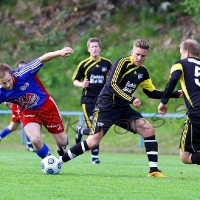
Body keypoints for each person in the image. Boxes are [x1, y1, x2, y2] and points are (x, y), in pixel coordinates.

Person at [59, 39, 181, 177]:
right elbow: (112, 85)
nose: (140, 58)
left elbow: (152, 92)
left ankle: (154, 171)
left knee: (148, 130)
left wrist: (175, 94)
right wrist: (131, 98)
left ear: (147, 55)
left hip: (123, 109)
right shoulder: (122, 63)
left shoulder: (143, 72)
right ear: (132, 52)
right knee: (92, 142)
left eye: (143, 56)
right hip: (107, 106)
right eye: (137, 54)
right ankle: (59, 161)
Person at [0, 47, 74, 159]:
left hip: (46, 106)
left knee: (62, 141)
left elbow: (42, 59)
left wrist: (59, 52)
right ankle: (49, 160)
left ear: (12, 74)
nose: (8, 85)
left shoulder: (24, 73)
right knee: (35, 140)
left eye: (9, 80)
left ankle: (61, 147)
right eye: (4, 83)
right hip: (27, 111)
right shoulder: (1, 92)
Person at [158, 39, 200, 166]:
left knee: (185, 157)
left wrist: (164, 101)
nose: (180, 56)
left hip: (196, 114)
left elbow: (173, 79)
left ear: (186, 53)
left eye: (181, 53)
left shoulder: (181, 63)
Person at [72, 37, 112, 164]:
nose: (94, 49)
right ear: (88, 49)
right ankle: (95, 157)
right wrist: (82, 84)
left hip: (102, 101)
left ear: (100, 48)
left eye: (96, 46)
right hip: (88, 100)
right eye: (92, 47)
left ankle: (80, 130)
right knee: (94, 129)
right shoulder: (84, 64)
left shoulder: (107, 64)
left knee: (99, 127)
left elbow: (112, 80)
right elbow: (75, 80)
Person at [0, 60, 34, 152]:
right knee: (26, 122)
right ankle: (29, 145)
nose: (22, 69)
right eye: (20, 67)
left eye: (24, 67)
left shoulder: (29, 77)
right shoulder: (11, 79)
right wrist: (6, 99)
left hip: (30, 105)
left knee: (12, 127)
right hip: (18, 106)